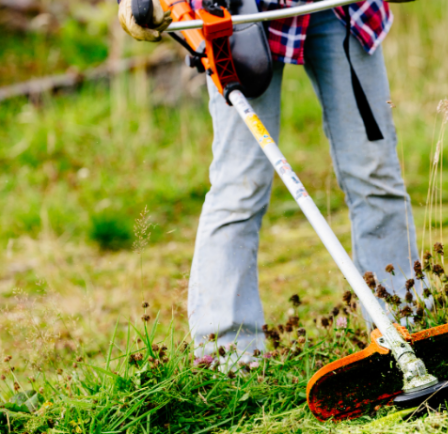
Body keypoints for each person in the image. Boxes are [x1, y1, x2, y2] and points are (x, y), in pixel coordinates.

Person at [118, 0, 423, 359]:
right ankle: (228, 358)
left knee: (375, 172)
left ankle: (403, 325)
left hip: (340, 9)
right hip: (239, 11)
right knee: (240, 184)